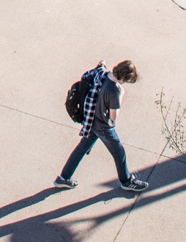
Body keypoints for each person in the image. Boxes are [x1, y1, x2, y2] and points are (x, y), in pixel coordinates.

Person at [57, 59, 146, 193]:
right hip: (103, 127)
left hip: (91, 121)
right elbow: (113, 117)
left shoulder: (103, 74)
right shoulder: (114, 92)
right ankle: (126, 181)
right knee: (119, 152)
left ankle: (64, 177)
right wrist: (121, 96)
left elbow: (100, 66)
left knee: (81, 148)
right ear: (124, 78)